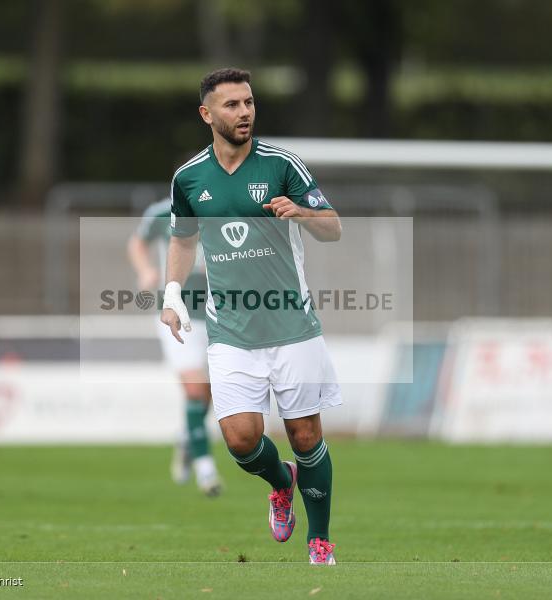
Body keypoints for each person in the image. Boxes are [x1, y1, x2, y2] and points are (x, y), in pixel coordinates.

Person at [160, 68, 343, 565]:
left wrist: (302, 214)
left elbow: (333, 227)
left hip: (291, 326)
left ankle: (319, 540)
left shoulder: (283, 165)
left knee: (307, 434)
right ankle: (281, 483)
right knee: (241, 440)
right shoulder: (189, 177)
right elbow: (182, 237)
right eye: (232, 105)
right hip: (231, 332)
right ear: (207, 114)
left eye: (249, 103)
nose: (244, 112)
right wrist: (173, 291)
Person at [127, 200, 223, 496]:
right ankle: (206, 469)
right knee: (195, 389)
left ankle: (186, 437)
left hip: (219, 315)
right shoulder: (160, 213)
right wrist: (145, 271)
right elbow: (137, 243)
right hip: (175, 315)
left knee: (208, 394)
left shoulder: (224, 207)